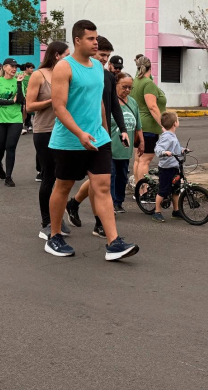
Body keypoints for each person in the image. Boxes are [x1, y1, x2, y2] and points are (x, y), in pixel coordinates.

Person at [46, 19, 138, 261]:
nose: (96, 43)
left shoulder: (98, 68)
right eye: (91, 39)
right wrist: (79, 133)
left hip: (98, 138)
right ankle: (54, 236)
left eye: (96, 38)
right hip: (69, 140)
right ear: (77, 40)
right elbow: (59, 107)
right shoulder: (64, 67)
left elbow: (100, 104)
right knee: (63, 187)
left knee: (103, 187)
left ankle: (113, 243)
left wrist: (104, 132)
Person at [64, 35, 128, 237]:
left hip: (102, 134)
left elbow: (114, 105)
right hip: (80, 134)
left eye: (107, 56)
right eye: (102, 54)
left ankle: (91, 217)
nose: (104, 59)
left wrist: (123, 129)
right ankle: (75, 212)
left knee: (100, 180)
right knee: (88, 180)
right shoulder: (79, 73)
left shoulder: (107, 76)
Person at [25, 41, 72, 240]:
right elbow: (29, 106)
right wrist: (53, 101)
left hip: (65, 130)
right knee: (49, 176)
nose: (70, 58)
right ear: (56, 55)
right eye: (66, 54)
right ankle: (47, 221)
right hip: (44, 131)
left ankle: (58, 218)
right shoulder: (39, 75)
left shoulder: (67, 74)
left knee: (64, 178)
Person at [131, 56, 167, 193]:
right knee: (145, 160)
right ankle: (143, 192)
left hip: (138, 125)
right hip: (148, 127)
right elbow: (152, 106)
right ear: (150, 67)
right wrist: (163, 125)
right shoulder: (148, 84)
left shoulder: (135, 81)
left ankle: (138, 191)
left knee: (138, 160)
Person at [0, 58, 25, 187]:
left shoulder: (18, 81)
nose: (14, 69)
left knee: (10, 147)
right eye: (11, 66)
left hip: (15, 119)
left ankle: (8, 177)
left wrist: (19, 83)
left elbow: (20, 100)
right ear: (4, 67)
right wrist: (10, 102)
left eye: (16, 67)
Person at [110, 73, 144, 213]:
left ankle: (118, 202)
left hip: (125, 149)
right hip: (109, 147)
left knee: (122, 176)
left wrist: (141, 142)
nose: (127, 90)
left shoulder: (132, 103)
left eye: (130, 87)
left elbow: (138, 125)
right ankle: (110, 204)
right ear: (116, 84)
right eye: (124, 87)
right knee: (111, 176)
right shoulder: (108, 101)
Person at [152, 111, 187, 222]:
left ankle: (176, 211)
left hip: (175, 166)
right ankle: (157, 212)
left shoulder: (172, 135)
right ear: (175, 123)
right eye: (178, 119)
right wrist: (164, 152)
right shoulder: (167, 136)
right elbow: (158, 148)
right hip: (166, 168)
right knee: (163, 190)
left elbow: (174, 149)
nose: (178, 121)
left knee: (176, 189)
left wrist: (182, 150)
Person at [20, 63, 35, 135]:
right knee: (24, 110)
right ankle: (22, 126)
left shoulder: (34, 76)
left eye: (33, 68)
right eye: (31, 68)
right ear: (26, 68)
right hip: (23, 96)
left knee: (32, 111)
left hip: (31, 96)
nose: (32, 70)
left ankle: (30, 125)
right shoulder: (21, 75)